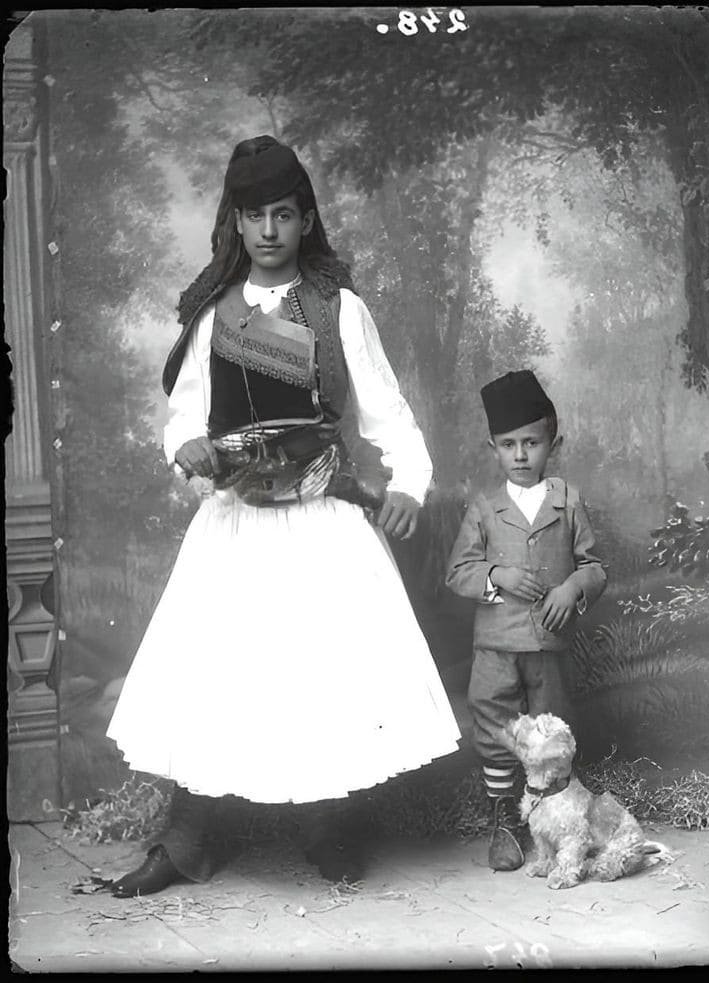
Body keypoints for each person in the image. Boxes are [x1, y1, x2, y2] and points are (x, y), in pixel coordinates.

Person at [106, 136, 461, 898]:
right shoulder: (214, 316)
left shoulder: (340, 310)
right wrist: (188, 447)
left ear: (305, 220)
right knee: (216, 671)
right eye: (254, 215)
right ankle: (188, 839)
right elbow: (183, 417)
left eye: (283, 214)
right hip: (237, 522)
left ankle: (326, 827)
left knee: (319, 671)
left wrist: (408, 485)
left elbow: (389, 413)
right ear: (235, 223)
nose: (269, 230)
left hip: (321, 517)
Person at [445, 370, 606, 872]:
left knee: (550, 727)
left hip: (549, 645)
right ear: (493, 448)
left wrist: (572, 588)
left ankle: (557, 822)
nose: (520, 455)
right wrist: (498, 575)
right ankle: (506, 821)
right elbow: (458, 572)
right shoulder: (485, 508)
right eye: (508, 444)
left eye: (531, 443)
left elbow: (594, 567)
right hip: (496, 644)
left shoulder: (567, 500)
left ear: (552, 444)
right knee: (495, 723)